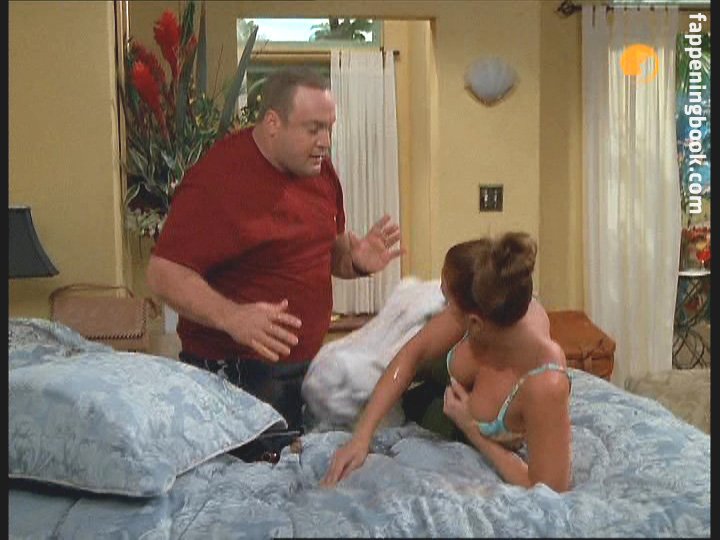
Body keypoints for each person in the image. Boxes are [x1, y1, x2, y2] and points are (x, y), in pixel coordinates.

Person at [146, 67, 403, 435]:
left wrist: (355, 261)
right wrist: (233, 317)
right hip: (238, 372)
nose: (325, 142)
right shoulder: (217, 181)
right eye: (313, 129)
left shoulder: (320, 172)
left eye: (330, 128)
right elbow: (163, 274)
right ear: (272, 123)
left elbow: (327, 251)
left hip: (306, 365)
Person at [321, 232, 573, 492]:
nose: (445, 307)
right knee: (347, 375)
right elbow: (412, 354)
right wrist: (361, 437)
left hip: (451, 423)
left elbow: (550, 487)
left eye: (447, 301)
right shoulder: (487, 307)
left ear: (474, 322)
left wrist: (473, 430)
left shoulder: (545, 382)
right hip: (434, 383)